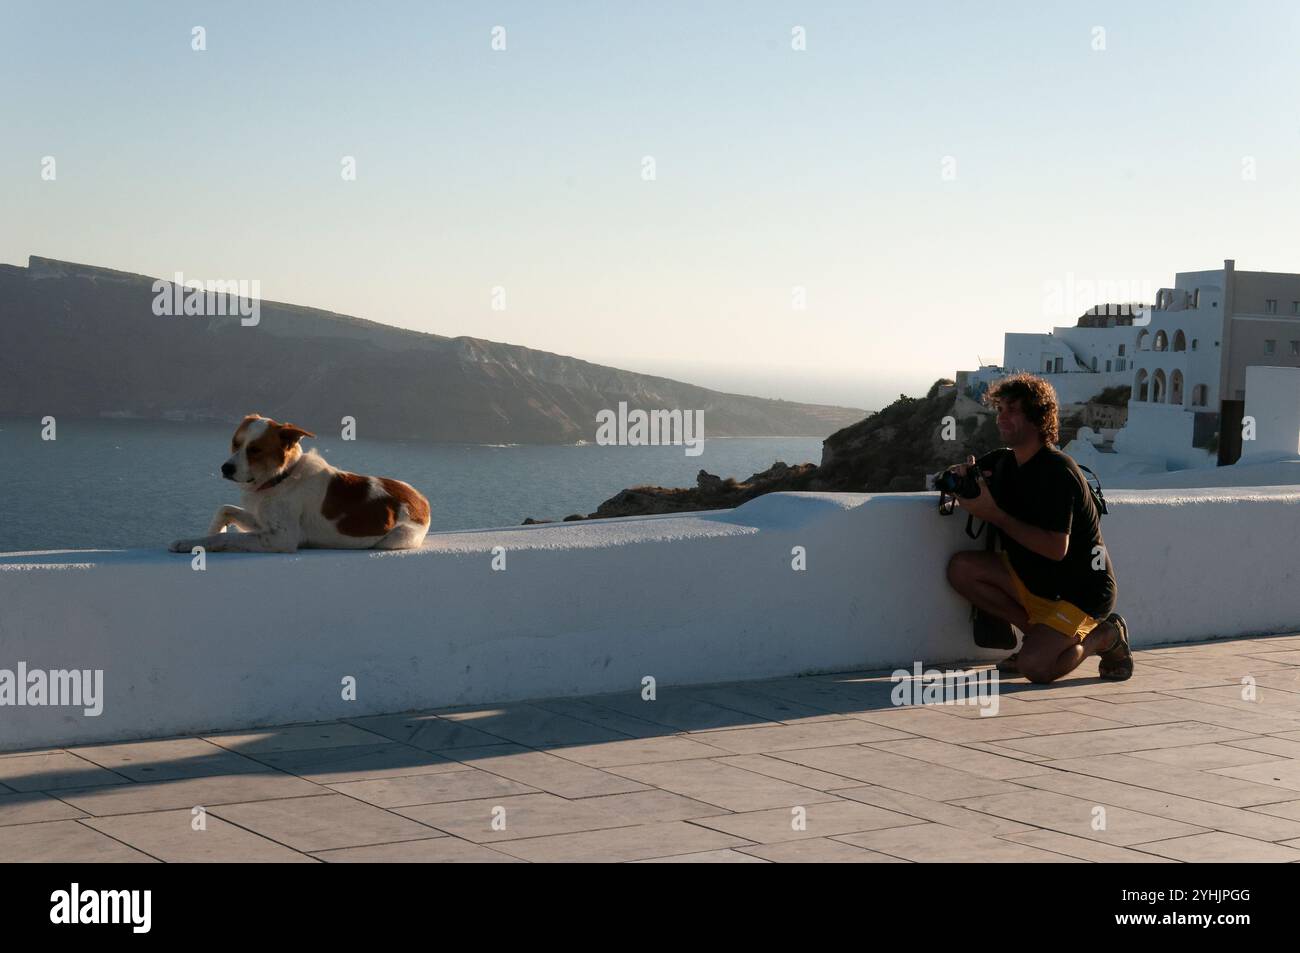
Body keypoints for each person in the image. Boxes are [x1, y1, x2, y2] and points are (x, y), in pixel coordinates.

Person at [944, 373, 1132, 683]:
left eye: (1013, 410)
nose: (1002, 418)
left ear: (1038, 417)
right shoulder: (1004, 464)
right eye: (1000, 409)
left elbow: (1056, 549)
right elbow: (965, 479)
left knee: (1036, 667)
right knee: (961, 569)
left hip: (1081, 592)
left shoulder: (1058, 472)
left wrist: (994, 514)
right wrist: (959, 478)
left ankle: (1103, 636)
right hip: (1033, 581)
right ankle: (1039, 635)